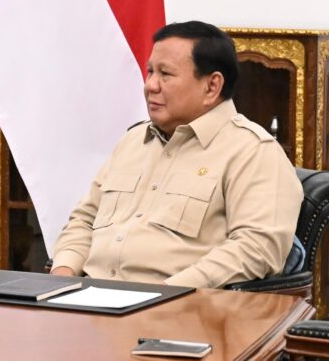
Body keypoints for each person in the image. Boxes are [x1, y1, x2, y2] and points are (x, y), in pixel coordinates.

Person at [50, 21, 302, 289]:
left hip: (181, 306)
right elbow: (85, 219)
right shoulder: (133, 141)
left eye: (165, 74)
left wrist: (168, 293)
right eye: (150, 71)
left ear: (212, 86)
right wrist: (62, 276)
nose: (150, 85)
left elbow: (257, 248)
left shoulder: (253, 152)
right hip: (88, 300)